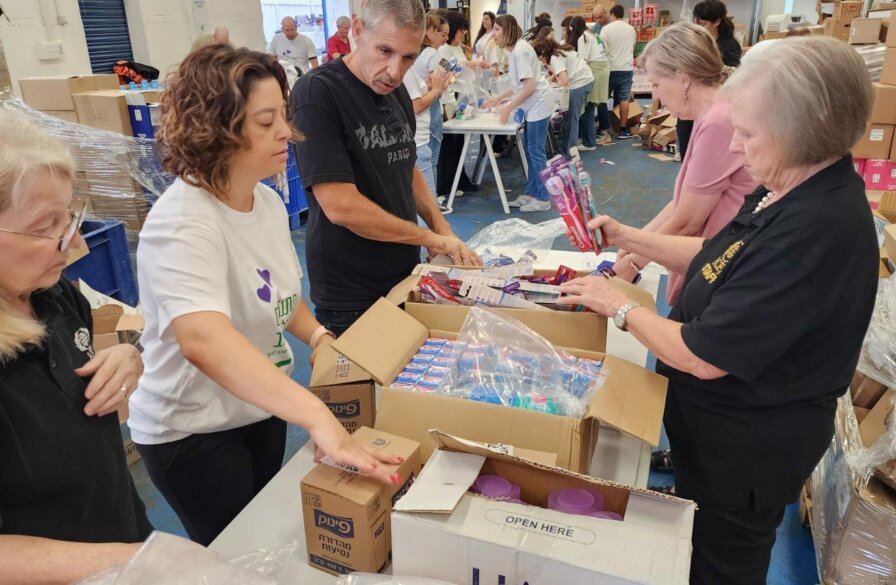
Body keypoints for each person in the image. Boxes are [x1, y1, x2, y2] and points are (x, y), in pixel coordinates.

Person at [559, 36, 878, 584]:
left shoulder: (810, 233)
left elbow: (706, 357)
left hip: (746, 453)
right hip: (713, 437)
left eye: (749, 134)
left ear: (800, 130)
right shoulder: (786, 185)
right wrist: (628, 238)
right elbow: (717, 253)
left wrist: (618, 307)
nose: (738, 145)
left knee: (720, 566)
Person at [131, 45, 404, 547]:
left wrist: (320, 337)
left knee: (268, 541)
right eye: (265, 121)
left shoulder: (267, 201)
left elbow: (276, 296)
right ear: (215, 129)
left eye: (284, 115)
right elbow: (203, 340)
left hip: (259, 408)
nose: (288, 132)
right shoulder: (184, 221)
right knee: (234, 554)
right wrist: (315, 413)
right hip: (194, 429)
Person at [0, 109, 152, 583]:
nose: (71, 239)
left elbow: (86, 368)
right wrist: (126, 562)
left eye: (70, 215)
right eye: (46, 226)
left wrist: (128, 357)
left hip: (121, 537)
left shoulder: (54, 294)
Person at [291, 0, 481, 335]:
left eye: (408, 57)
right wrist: (427, 237)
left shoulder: (394, 93)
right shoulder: (317, 92)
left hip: (404, 274)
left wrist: (440, 228)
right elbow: (341, 206)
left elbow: (406, 168)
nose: (395, 70)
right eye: (385, 51)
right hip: (351, 291)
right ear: (359, 31)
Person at [613, 23, 756, 303]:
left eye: (656, 84)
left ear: (683, 78)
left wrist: (633, 262)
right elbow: (683, 201)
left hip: (719, 267)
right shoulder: (712, 114)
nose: (655, 96)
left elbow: (688, 220)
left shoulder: (718, 121)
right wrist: (634, 242)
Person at [485, 15, 554, 213]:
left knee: (535, 151)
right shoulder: (516, 50)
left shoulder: (520, 51)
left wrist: (508, 107)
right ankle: (532, 192)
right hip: (534, 104)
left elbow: (530, 86)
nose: (493, 33)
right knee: (531, 151)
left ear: (508, 30)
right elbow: (519, 84)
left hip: (539, 103)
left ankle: (542, 198)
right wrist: (499, 99)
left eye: (497, 29)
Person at [436, 10, 481, 197]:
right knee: (449, 143)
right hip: (450, 97)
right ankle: (446, 183)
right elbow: (445, 74)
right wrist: (463, 67)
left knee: (460, 142)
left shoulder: (457, 48)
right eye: (460, 30)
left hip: (461, 97)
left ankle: (460, 178)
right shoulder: (443, 50)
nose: (462, 34)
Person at [404, 39, 451, 210]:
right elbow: (416, 106)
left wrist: (435, 88)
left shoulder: (410, 70)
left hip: (418, 138)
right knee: (428, 209)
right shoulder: (407, 72)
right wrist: (436, 90)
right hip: (418, 140)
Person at [413, 12, 450, 208]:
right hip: (429, 106)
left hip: (423, 106)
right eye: (439, 33)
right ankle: (433, 202)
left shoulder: (421, 54)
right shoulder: (431, 54)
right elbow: (440, 81)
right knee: (431, 158)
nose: (443, 38)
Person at [533, 38, 594, 155]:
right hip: (586, 80)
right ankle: (585, 143)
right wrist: (550, 80)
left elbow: (564, 80)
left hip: (579, 83)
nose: (542, 62)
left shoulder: (555, 58)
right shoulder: (560, 50)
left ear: (544, 54)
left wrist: (556, 90)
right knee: (581, 114)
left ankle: (569, 151)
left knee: (571, 118)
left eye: (541, 59)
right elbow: (560, 73)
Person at [568, 16, 611, 148]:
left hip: (595, 69)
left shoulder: (583, 38)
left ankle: (589, 142)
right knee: (591, 105)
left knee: (588, 106)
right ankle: (588, 139)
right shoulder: (594, 34)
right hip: (603, 68)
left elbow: (583, 60)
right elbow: (607, 51)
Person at [600, 5, 637, 139]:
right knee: (624, 99)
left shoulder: (606, 29)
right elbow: (632, 48)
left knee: (603, 99)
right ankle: (622, 130)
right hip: (626, 69)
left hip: (610, 68)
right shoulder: (631, 29)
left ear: (612, 14)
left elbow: (602, 49)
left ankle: (604, 129)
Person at [693, 0, 741, 67]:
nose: (697, 28)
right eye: (695, 24)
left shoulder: (731, 46)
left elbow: (731, 73)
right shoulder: (694, 40)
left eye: (702, 25)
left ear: (717, 22)